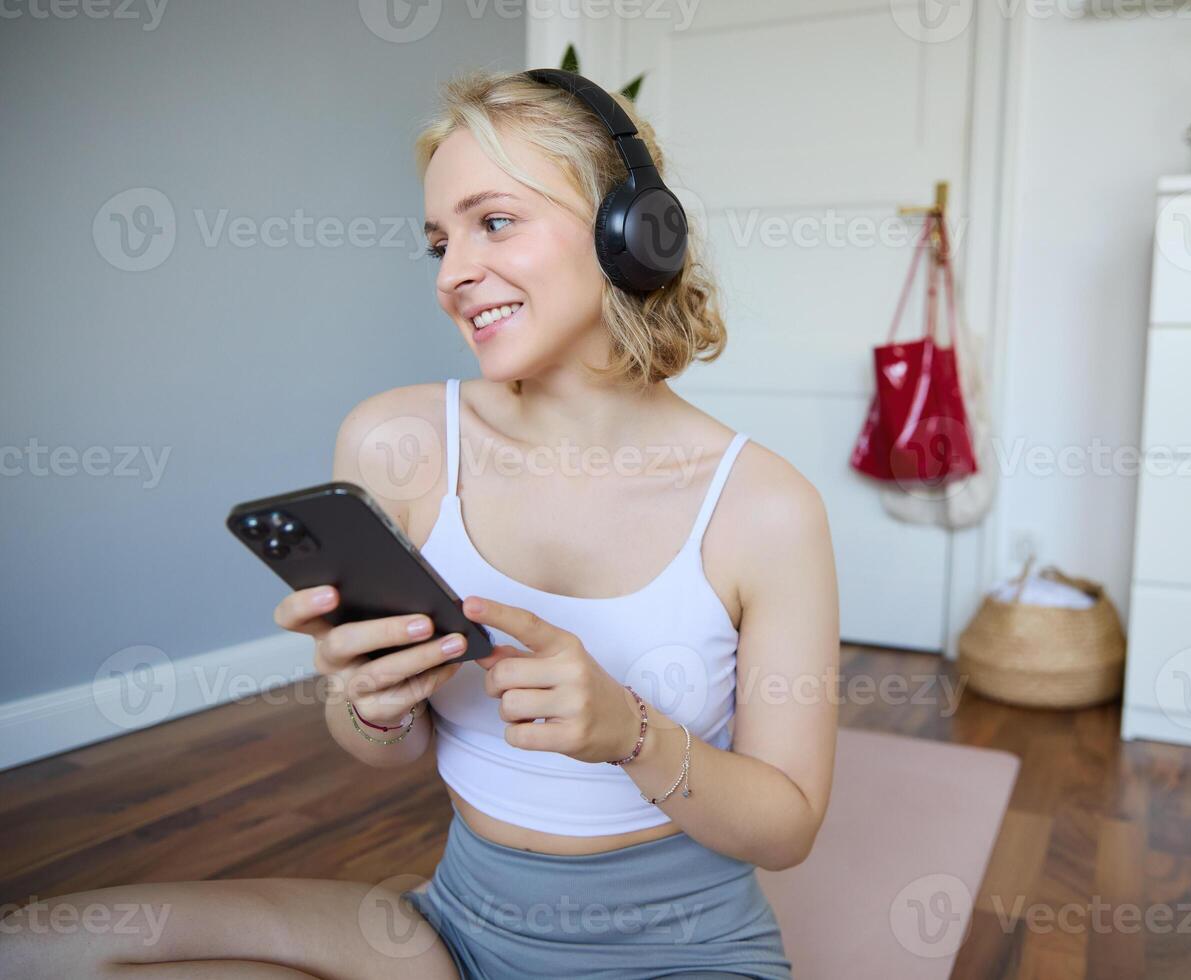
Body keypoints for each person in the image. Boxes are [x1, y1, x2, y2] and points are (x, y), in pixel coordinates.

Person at [1, 67, 839, 979]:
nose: (454, 275)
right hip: (455, 929)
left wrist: (631, 733)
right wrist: (372, 703)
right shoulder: (395, 440)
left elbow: (787, 826)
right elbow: (380, 752)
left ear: (629, 229)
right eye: (438, 241)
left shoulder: (762, 506)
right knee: (47, 945)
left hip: (685, 954)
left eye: (495, 222)